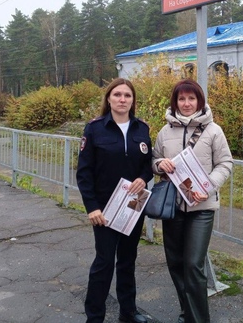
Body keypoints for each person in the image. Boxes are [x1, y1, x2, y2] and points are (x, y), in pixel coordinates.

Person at [152, 79, 233, 323]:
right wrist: (158, 164)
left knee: (193, 264)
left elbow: (225, 163)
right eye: (181, 99)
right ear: (175, 102)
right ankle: (187, 312)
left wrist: (207, 188)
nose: (186, 104)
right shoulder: (165, 132)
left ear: (199, 100)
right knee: (175, 262)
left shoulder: (213, 131)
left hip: (202, 208)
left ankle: (199, 320)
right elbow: (154, 159)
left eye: (191, 98)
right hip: (173, 207)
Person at [77, 78, 152, 323]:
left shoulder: (142, 129)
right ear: (108, 98)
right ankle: (95, 316)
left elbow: (147, 166)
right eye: (117, 95)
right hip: (105, 210)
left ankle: (128, 312)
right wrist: (92, 207)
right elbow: (84, 172)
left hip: (133, 206)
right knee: (104, 263)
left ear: (133, 101)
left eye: (127, 96)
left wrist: (143, 178)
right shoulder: (95, 129)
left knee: (128, 261)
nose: (122, 99)